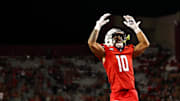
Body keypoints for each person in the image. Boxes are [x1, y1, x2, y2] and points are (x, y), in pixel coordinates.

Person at [88, 13, 150, 101]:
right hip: (117, 93)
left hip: (130, 92)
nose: (120, 40)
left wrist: (136, 29)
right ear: (108, 40)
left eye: (121, 38)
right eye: (116, 38)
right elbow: (91, 43)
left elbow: (145, 44)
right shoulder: (106, 51)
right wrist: (97, 27)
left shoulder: (127, 50)